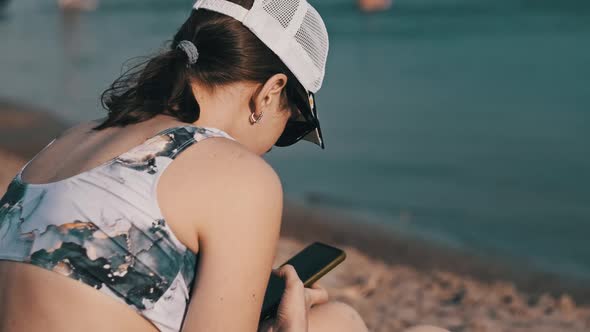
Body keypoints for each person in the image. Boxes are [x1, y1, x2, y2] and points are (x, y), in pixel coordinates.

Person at [0, 0, 447, 331]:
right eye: (291, 128)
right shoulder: (236, 175)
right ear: (270, 92)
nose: (274, 146)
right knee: (339, 322)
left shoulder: (68, 142)